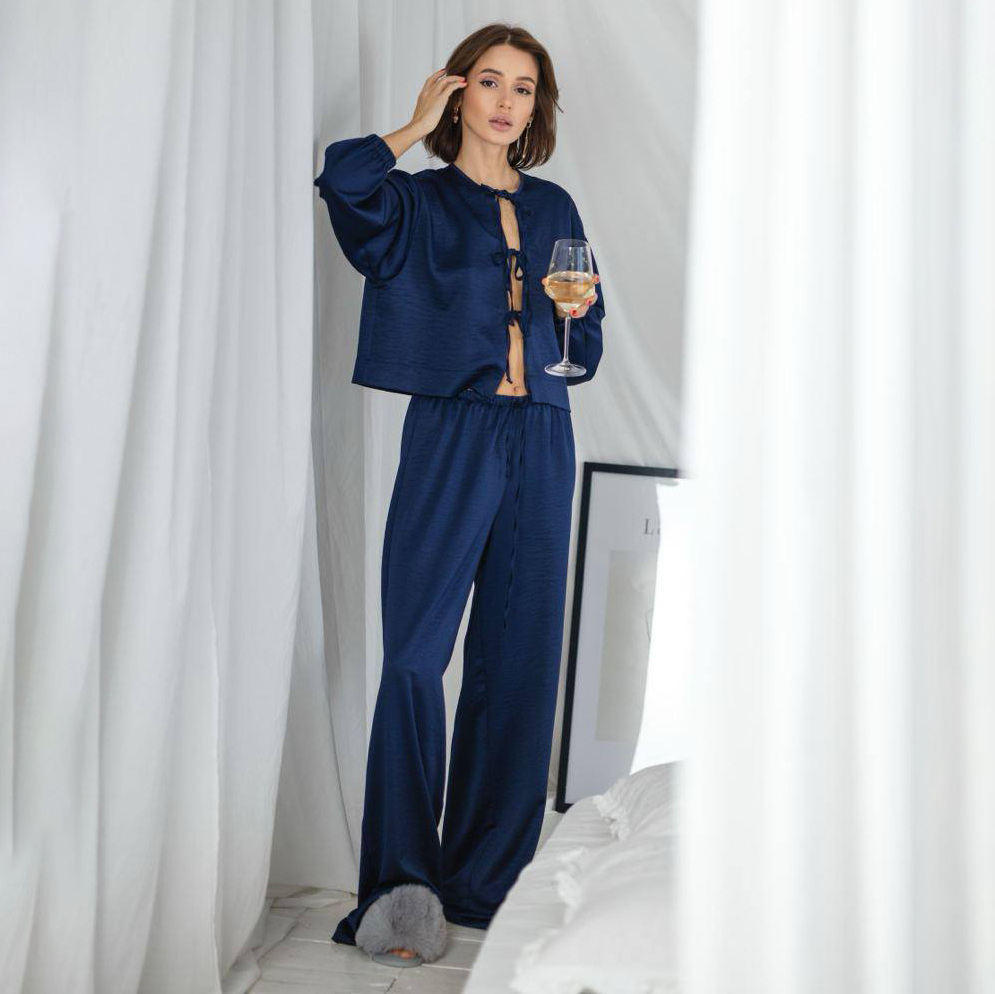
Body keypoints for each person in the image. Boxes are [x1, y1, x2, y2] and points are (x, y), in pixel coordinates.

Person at [313, 22, 606, 969]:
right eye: (488, 81)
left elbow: (587, 340)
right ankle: (400, 892)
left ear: (536, 106)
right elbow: (342, 180)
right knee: (414, 658)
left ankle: (484, 883)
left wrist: (574, 318)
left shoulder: (554, 204)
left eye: (522, 87)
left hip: (542, 435)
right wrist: (411, 125)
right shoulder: (415, 202)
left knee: (518, 663)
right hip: (451, 432)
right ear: (456, 90)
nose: (505, 101)